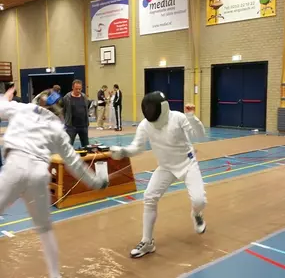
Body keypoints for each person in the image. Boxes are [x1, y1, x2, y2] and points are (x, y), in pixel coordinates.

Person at [0, 86, 109, 278]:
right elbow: (74, 163)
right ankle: (54, 274)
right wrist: (95, 182)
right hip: (39, 175)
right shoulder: (58, 129)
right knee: (44, 229)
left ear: (37, 100)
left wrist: (5, 98)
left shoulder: (21, 108)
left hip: (14, 168)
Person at [110, 91, 207, 258]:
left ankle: (196, 214)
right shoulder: (145, 125)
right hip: (166, 167)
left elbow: (199, 135)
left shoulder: (178, 118)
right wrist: (124, 151)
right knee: (149, 197)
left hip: (187, 163)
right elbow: (137, 147)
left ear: (162, 108)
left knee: (199, 201)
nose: (149, 112)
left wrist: (191, 117)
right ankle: (147, 242)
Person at [62, 79, 90, 147]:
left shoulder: (84, 97)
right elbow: (63, 110)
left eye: (80, 89)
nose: (78, 91)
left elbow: (86, 108)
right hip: (71, 127)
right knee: (69, 146)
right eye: (76, 89)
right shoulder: (66, 98)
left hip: (83, 126)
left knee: (86, 146)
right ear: (72, 87)